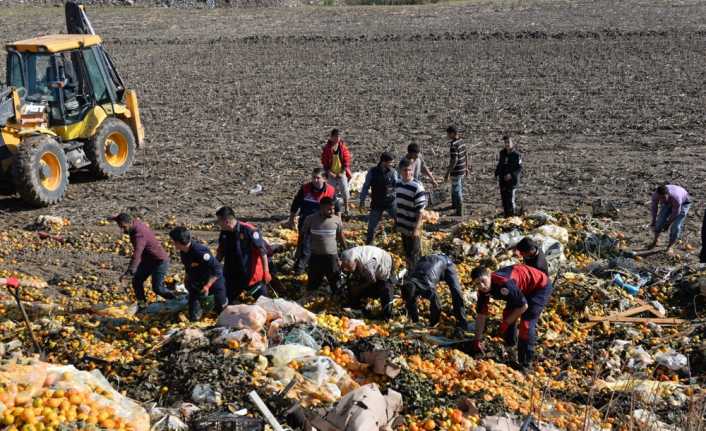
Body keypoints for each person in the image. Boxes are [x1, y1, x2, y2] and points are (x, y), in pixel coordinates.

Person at [470, 264, 552, 371]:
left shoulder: (504, 283)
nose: (481, 286)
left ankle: (526, 364)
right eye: (477, 284)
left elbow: (523, 306)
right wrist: (477, 339)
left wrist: (506, 323)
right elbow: (481, 315)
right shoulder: (482, 292)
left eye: (483, 281)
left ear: (489, 276)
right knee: (508, 314)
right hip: (520, 289)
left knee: (526, 325)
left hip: (539, 286)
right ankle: (511, 348)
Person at [112, 213, 174, 309]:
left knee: (158, 288)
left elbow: (137, 255)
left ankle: (175, 300)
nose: (123, 230)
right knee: (137, 281)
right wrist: (113, 218)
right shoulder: (134, 222)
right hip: (148, 260)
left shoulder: (139, 235)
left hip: (159, 261)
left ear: (129, 223)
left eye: (124, 227)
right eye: (121, 227)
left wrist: (129, 272)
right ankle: (142, 305)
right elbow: (121, 217)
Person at [169, 227, 228, 321]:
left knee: (221, 310)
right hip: (197, 282)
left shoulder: (199, 251)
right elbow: (188, 267)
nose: (173, 244)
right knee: (193, 315)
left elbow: (217, 269)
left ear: (179, 242)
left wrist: (208, 286)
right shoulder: (183, 252)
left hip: (213, 281)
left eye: (174, 241)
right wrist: (187, 278)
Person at [215, 206, 271, 304]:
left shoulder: (249, 230)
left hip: (251, 276)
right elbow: (220, 252)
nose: (218, 224)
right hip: (232, 276)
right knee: (226, 302)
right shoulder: (224, 233)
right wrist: (214, 267)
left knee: (265, 303)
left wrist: (266, 272)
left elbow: (262, 252)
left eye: (219, 221)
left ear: (226, 221)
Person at [401, 254, 469, 330]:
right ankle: (416, 320)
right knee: (410, 300)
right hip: (428, 262)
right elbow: (410, 301)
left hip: (446, 263)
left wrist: (433, 324)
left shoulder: (427, 286)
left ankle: (462, 321)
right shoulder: (409, 282)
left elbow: (437, 305)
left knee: (456, 291)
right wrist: (415, 322)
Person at [289, 167, 337, 272]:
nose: (315, 180)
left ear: (324, 179)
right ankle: (299, 269)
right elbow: (295, 204)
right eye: (313, 178)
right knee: (304, 245)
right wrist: (291, 219)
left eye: (318, 178)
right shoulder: (305, 189)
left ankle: (315, 266)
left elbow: (335, 207)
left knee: (321, 246)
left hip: (322, 223)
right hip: (306, 222)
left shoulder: (330, 190)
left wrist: (337, 222)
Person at [299, 197, 346, 293]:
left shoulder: (337, 220)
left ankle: (336, 301)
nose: (332, 211)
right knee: (313, 283)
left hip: (332, 257)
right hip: (316, 256)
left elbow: (341, 236)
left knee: (335, 283)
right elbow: (302, 236)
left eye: (333, 209)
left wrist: (345, 250)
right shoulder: (310, 219)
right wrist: (299, 251)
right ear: (321, 208)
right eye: (329, 209)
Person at [340, 245, 395, 319]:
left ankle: (386, 315)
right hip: (371, 260)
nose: (346, 269)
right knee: (354, 282)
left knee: (385, 287)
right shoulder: (348, 254)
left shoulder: (367, 266)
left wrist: (359, 288)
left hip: (385, 263)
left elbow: (372, 281)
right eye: (345, 267)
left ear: (356, 261)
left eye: (349, 267)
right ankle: (358, 305)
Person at [359, 151, 398, 245]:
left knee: (399, 219)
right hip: (377, 203)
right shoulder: (372, 172)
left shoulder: (393, 172)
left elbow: (397, 186)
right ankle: (369, 244)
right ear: (383, 162)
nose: (392, 164)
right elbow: (366, 186)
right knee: (372, 227)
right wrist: (362, 200)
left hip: (390, 202)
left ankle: (397, 235)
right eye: (390, 162)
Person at [394, 158, 427, 269]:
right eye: (405, 170)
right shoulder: (398, 184)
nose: (407, 173)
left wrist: (416, 228)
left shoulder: (417, 187)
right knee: (407, 252)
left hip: (413, 227)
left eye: (409, 170)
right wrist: (397, 222)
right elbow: (398, 205)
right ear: (400, 171)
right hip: (403, 225)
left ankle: (416, 277)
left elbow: (420, 211)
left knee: (415, 254)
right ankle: (410, 272)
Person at [649, 184, 692, 252]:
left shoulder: (676, 198)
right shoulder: (656, 195)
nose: (662, 199)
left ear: (668, 194)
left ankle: (670, 246)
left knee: (676, 226)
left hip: (684, 202)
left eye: (663, 197)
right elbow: (654, 208)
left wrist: (668, 224)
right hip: (668, 202)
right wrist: (654, 220)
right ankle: (655, 240)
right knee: (660, 220)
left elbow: (676, 213)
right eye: (660, 198)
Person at [321, 129, 352, 215]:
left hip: (341, 173)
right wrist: (330, 173)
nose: (337, 138)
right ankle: (332, 209)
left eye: (338, 136)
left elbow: (346, 161)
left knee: (345, 191)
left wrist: (342, 172)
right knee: (331, 192)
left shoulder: (343, 148)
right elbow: (324, 162)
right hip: (331, 174)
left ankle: (346, 208)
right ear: (331, 137)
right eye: (335, 136)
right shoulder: (327, 149)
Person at [495, 134, 522, 217]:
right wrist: (496, 173)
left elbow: (519, 168)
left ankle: (512, 217)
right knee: (504, 200)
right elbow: (500, 164)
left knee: (510, 200)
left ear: (512, 143)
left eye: (508, 142)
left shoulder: (516, 155)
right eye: (505, 142)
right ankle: (506, 217)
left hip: (512, 182)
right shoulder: (502, 153)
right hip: (503, 181)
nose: (507, 144)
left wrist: (511, 175)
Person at [443, 126, 469, 216]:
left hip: (456, 171)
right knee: (457, 188)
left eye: (448, 134)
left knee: (457, 190)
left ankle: (459, 210)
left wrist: (448, 172)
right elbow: (466, 155)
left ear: (453, 133)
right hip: (462, 170)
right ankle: (454, 205)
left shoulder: (453, 145)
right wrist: (466, 167)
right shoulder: (462, 142)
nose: (448, 136)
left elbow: (454, 160)